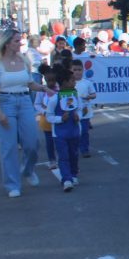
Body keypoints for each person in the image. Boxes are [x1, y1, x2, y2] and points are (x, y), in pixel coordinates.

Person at [0, 27, 53, 198]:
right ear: (7, 43)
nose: (20, 43)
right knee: (8, 147)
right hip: (6, 102)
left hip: (25, 101)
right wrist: (0, 113)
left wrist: (44, 88)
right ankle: (12, 184)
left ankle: (28, 170)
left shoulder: (24, 60)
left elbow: (30, 84)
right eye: (17, 41)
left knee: (32, 143)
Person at [46, 64, 82, 192]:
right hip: (59, 134)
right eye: (72, 80)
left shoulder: (76, 96)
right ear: (64, 82)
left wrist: (78, 116)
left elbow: (80, 110)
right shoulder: (54, 99)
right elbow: (49, 116)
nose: (75, 82)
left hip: (74, 131)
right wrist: (60, 119)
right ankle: (66, 179)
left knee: (74, 155)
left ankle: (73, 174)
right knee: (63, 156)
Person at [70, 59, 97, 158]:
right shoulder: (69, 83)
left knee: (84, 131)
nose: (77, 72)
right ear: (70, 70)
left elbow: (94, 95)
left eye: (79, 70)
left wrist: (89, 97)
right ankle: (74, 149)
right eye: (74, 70)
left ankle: (84, 149)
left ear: (83, 70)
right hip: (73, 111)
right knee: (74, 132)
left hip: (85, 110)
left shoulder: (87, 83)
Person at [35, 68, 58, 170]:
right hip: (46, 120)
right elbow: (37, 104)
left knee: (59, 141)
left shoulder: (59, 89)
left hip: (58, 119)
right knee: (49, 142)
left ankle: (62, 158)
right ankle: (52, 160)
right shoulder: (41, 90)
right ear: (45, 79)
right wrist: (44, 112)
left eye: (53, 80)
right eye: (49, 80)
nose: (51, 83)